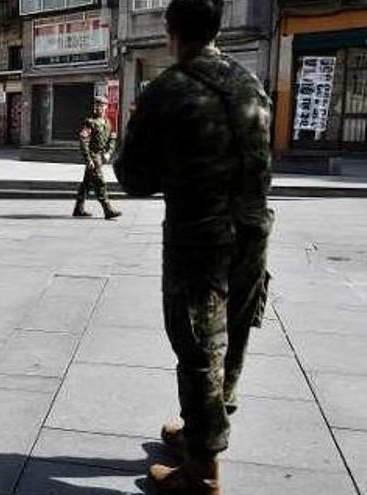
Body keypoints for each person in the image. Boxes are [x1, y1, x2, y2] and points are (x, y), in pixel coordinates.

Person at [113, 1, 273, 493]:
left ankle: (202, 470)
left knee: (199, 346)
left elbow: (134, 176)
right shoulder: (252, 84)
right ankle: (203, 432)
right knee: (236, 335)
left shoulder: (168, 89)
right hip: (253, 231)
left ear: (171, 32)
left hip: (199, 237)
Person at [73, 95, 121, 220]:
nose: (99, 108)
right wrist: (88, 159)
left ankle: (79, 208)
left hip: (101, 155)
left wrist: (109, 152)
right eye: (97, 105)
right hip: (94, 156)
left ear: (106, 107)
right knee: (100, 182)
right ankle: (107, 209)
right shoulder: (90, 122)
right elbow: (83, 141)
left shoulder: (108, 122)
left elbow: (112, 138)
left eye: (102, 105)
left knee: (87, 184)